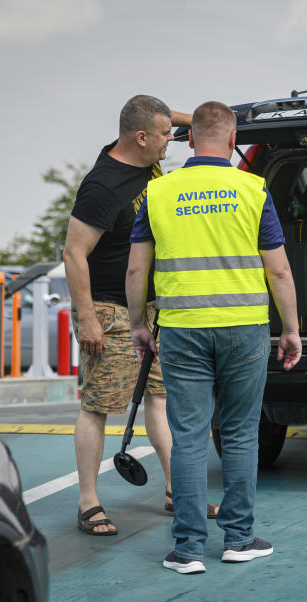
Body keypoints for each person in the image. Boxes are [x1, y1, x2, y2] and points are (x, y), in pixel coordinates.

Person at [126, 100, 301, 574]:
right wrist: (291, 329)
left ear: (188, 139)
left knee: (188, 437)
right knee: (241, 434)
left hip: (183, 330)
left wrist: (139, 323)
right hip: (244, 328)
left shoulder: (159, 193)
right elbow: (279, 271)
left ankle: (186, 550)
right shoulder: (252, 189)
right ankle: (239, 540)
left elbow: (138, 266)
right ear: (231, 138)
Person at [63, 95, 219, 536]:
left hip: (150, 309)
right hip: (110, 308)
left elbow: (152, 103)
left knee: (160, 397)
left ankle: (176, 491)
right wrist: (87, 318)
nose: (176, 141)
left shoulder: (144, 154)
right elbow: (74, 253)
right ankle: (88, 501)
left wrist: (214, 118)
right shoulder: (103, 186)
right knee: (99, 404)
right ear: (141, 137)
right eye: (168, 135)